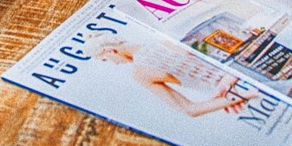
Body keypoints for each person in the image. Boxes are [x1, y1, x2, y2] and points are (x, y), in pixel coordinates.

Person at [93, 39, 257, 117]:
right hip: (249, 65)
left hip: (244, 88)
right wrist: (230, 83)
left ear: (109, 50)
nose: (113, 64)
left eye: (105, 60)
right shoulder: (159, 36)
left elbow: (189, 110)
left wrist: (241, 95)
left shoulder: (140, 73)